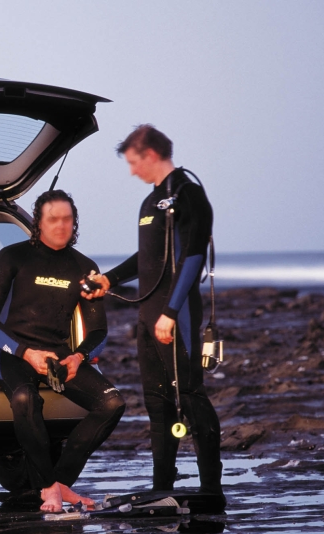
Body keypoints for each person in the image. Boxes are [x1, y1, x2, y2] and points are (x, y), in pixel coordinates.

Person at [84, 124, 224, 499]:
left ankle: (212, 488)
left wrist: (172, 312)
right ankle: (162, 487)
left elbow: (193, 257)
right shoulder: (150, 203)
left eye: (133, 162)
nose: (131, 171)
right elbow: (147, 258)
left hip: (174, 315)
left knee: (191, 396)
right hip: (148, 316)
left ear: (150, 154)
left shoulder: (189, 194)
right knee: (158, 403)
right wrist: (109, 280)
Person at [0, 189, 126, 513]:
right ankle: (47, 487)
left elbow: (99, 330)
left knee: (112, 402)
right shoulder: (12, 257)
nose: (61, 225)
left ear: (75, 222)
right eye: (53, 219)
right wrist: (24, 351)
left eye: (67, 219)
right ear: (38, 222)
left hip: (60, 356)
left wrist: (78, 357)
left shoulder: (84, 267)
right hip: (13, 352)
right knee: (25, 398)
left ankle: (59, 482)